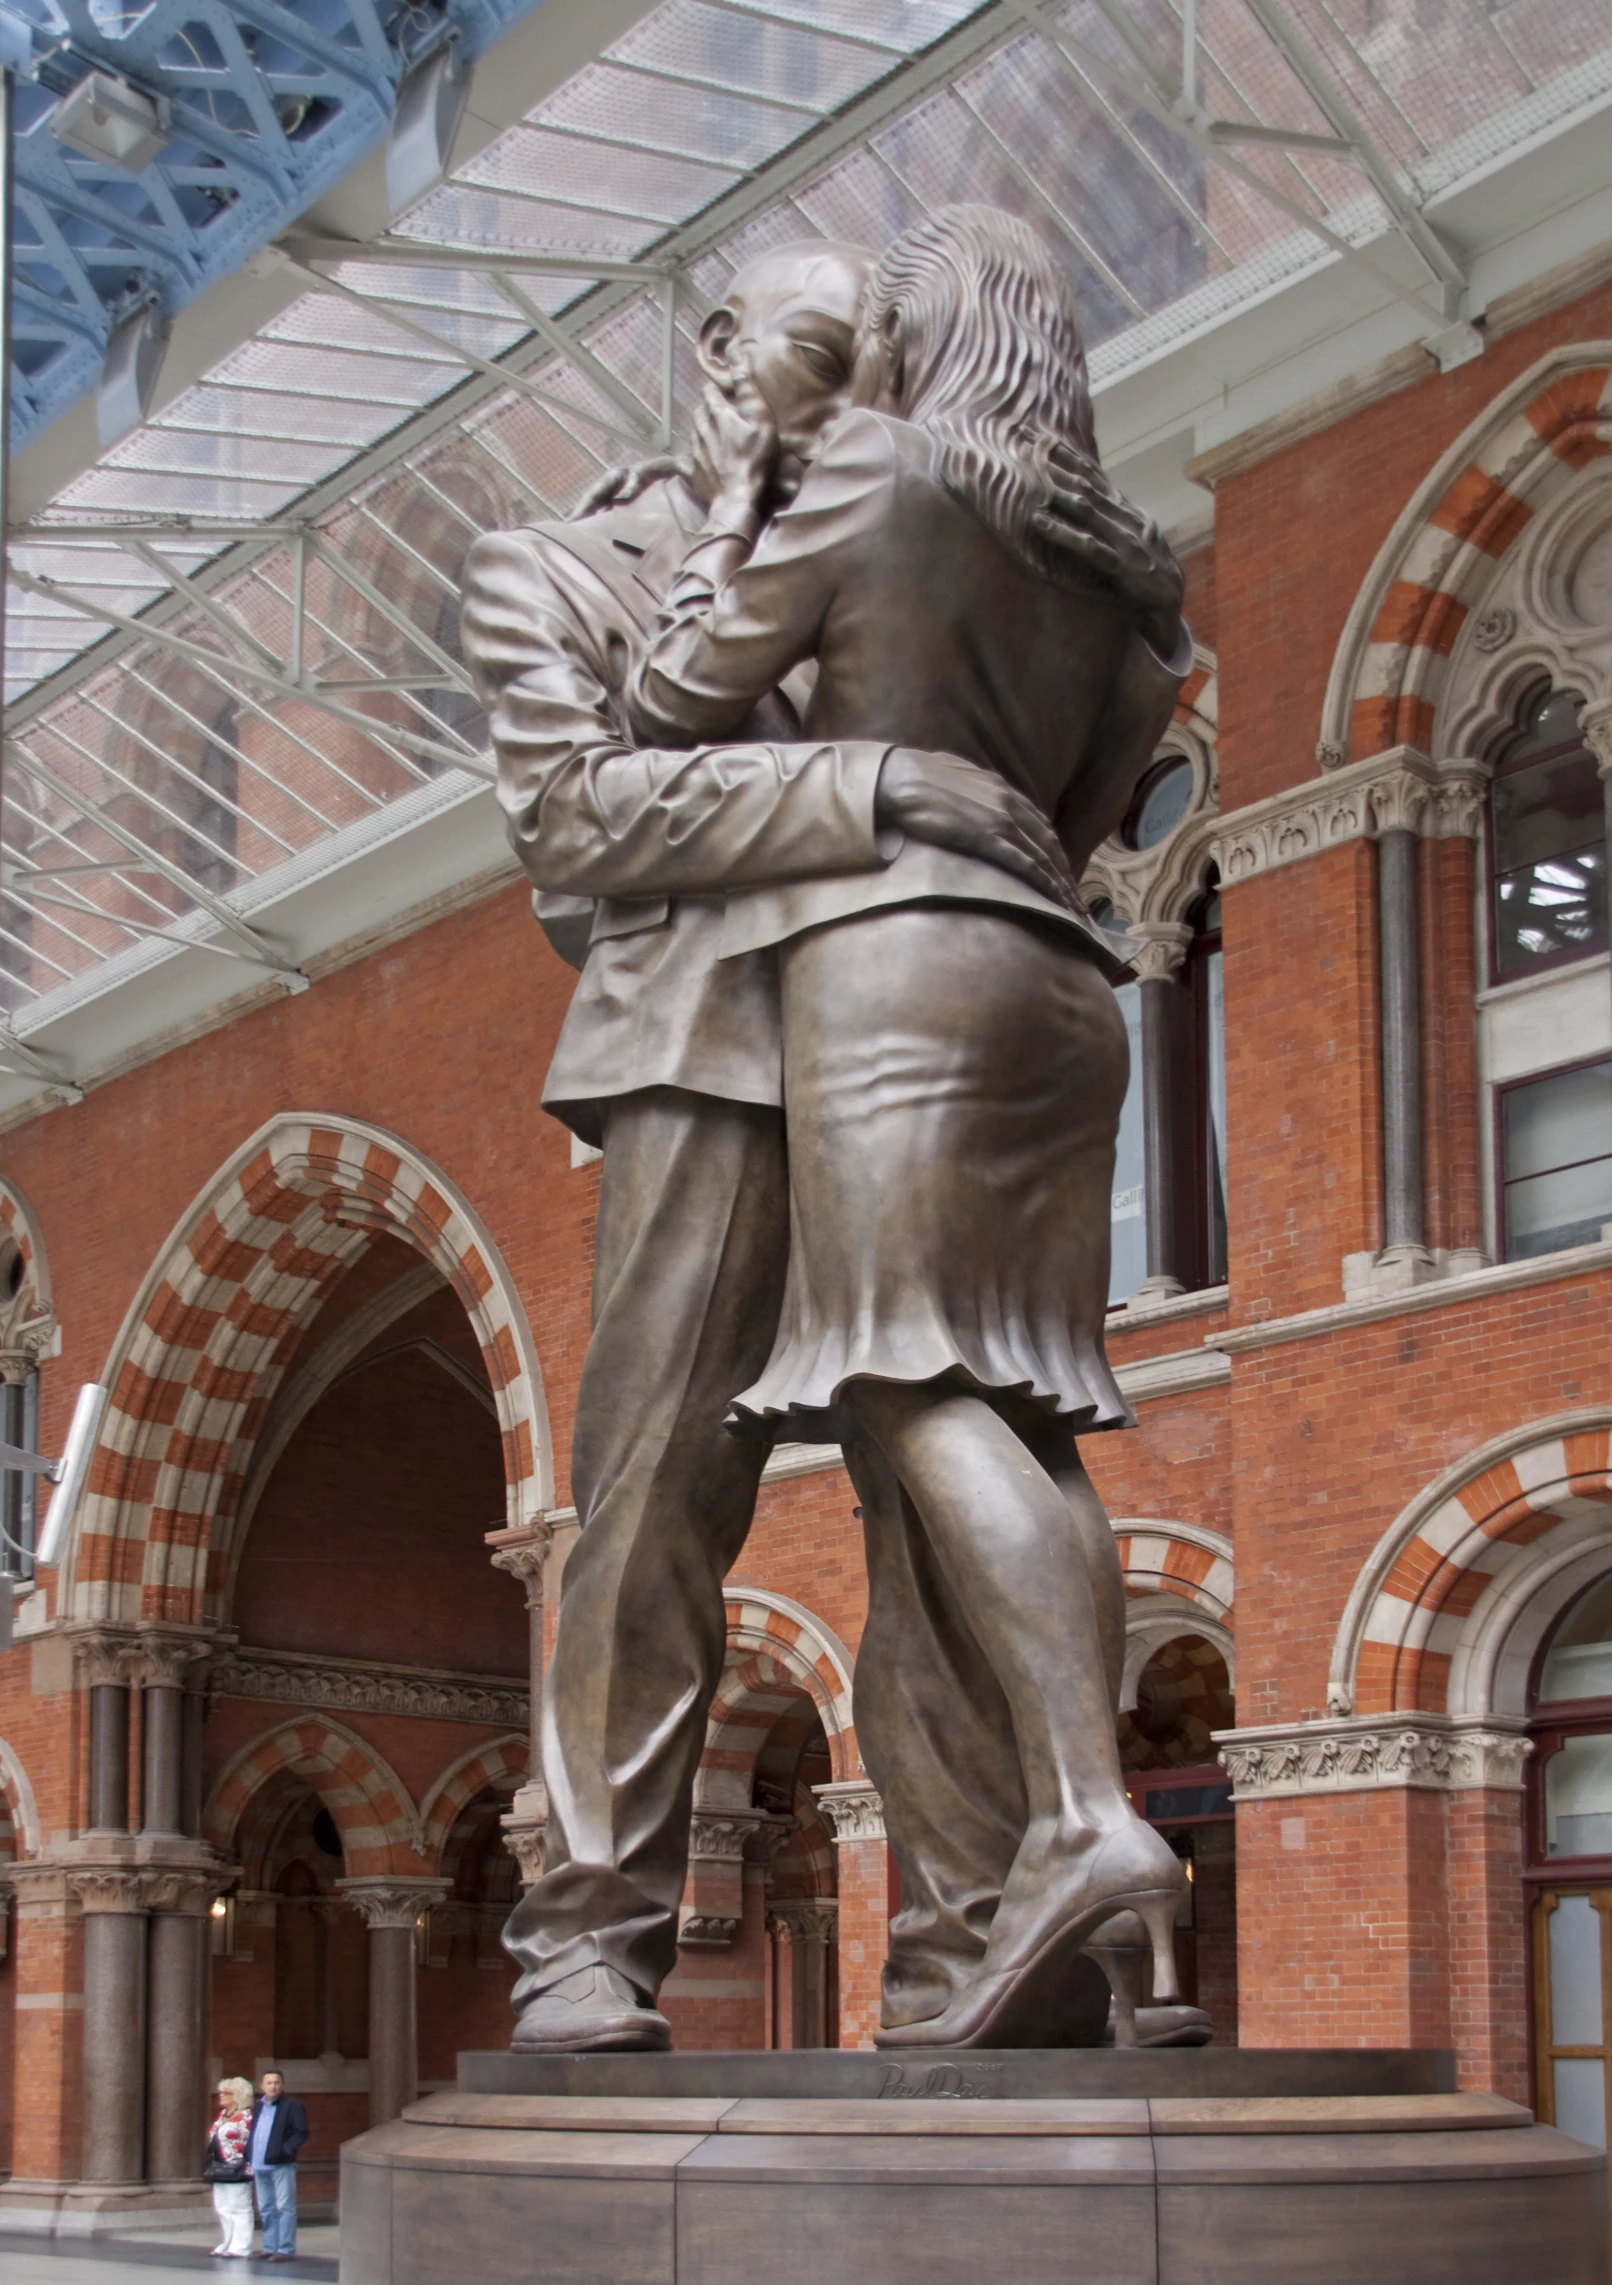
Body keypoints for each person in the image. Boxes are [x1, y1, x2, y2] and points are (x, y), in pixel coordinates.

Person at [461, 237, 1085, 2054]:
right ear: (722, 348)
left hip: (922, 1037)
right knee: (655, 1485)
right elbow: (578, 816)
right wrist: (879, 786)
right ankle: (591, 1936)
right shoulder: (552, 567)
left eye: (875, 348)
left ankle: (973, 1939)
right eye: (817, 343)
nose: (851, 377)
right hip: (711, 1045)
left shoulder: (919, 517)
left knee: (945, 1468)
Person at [628, 203, 1193, 2048]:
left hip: (901, 971)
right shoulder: (1120, 570)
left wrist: (748, 481)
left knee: (906, 1376)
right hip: (1061, 990)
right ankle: (1089, 1846)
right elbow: (1089, 804)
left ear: (916, 332)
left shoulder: (873, 470)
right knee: (1032, 1407)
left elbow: (676, 694)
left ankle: (1088, 1821)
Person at [248, 2067, 308, 2261]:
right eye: (269, 2083)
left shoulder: (292, 2105)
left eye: (276, 2083)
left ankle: (285, 2249)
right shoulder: (258, 2106)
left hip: (281, 2164)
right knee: (266, 2207)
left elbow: (301, 2131)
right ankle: (270, 2246)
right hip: (259, 2163)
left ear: (282, 2085)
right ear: (262, 2086)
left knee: (284, 2207)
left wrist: (286, 2150)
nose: (273, 2086)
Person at [205, 2077, 255, 2259]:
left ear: (238, 2095)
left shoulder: (247, 2117)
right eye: (221, 2092)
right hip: (219, 2166)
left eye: (226, 2093)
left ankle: (241, 2246)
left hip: (238, 2167)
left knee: (239, 2207)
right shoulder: (223, 2115)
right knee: (223, 2207)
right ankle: (228, 2241)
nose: (221, 2096)